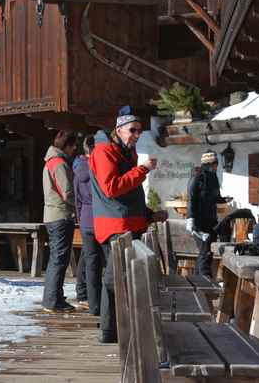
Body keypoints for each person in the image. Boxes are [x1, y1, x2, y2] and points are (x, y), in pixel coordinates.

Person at [90, 107, 166, 343]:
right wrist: (142, 170)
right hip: (115, 226)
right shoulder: (104, 151)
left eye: (139, 132)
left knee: (125, 277)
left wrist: (148, 215)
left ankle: (120, 327)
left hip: (127, 223)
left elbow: (129, 194)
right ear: (119, 129)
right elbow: (111, 188)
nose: (136, 135)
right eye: (132, 130)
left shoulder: (124, 152)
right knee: (114, 279)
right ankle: (109, 330)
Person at [41, 130, 78, 313]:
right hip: (61, 215)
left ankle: (53, 297)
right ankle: (52, 301)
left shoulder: (50, 161)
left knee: (56, 258)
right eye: (73, 146)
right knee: (59, 259)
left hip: (52, 214)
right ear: (67, 146)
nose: (74, 150)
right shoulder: (59, 164)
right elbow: (67, 193)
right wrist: (80, 204)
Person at [186, 151, 227, 276]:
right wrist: (190, 218)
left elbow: (214, 197)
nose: (217, 166)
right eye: (215, 164)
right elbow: (191, 197)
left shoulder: (213, 177)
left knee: (208, 252)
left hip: (211, 220)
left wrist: (224, 199)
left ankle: (200, 280)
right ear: (209, 164)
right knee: (205, 251)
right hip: (199, 220)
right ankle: (204, 281)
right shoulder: (198, 175)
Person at [73, 135, 101, 315]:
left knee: (89, 260)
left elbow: (76, 198)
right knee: (101, 261)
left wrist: (80, 218)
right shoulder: (97, 167)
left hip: (85, 219)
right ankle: (99, 301)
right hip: (99, 217)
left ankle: (90, 300)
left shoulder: (77, 169)